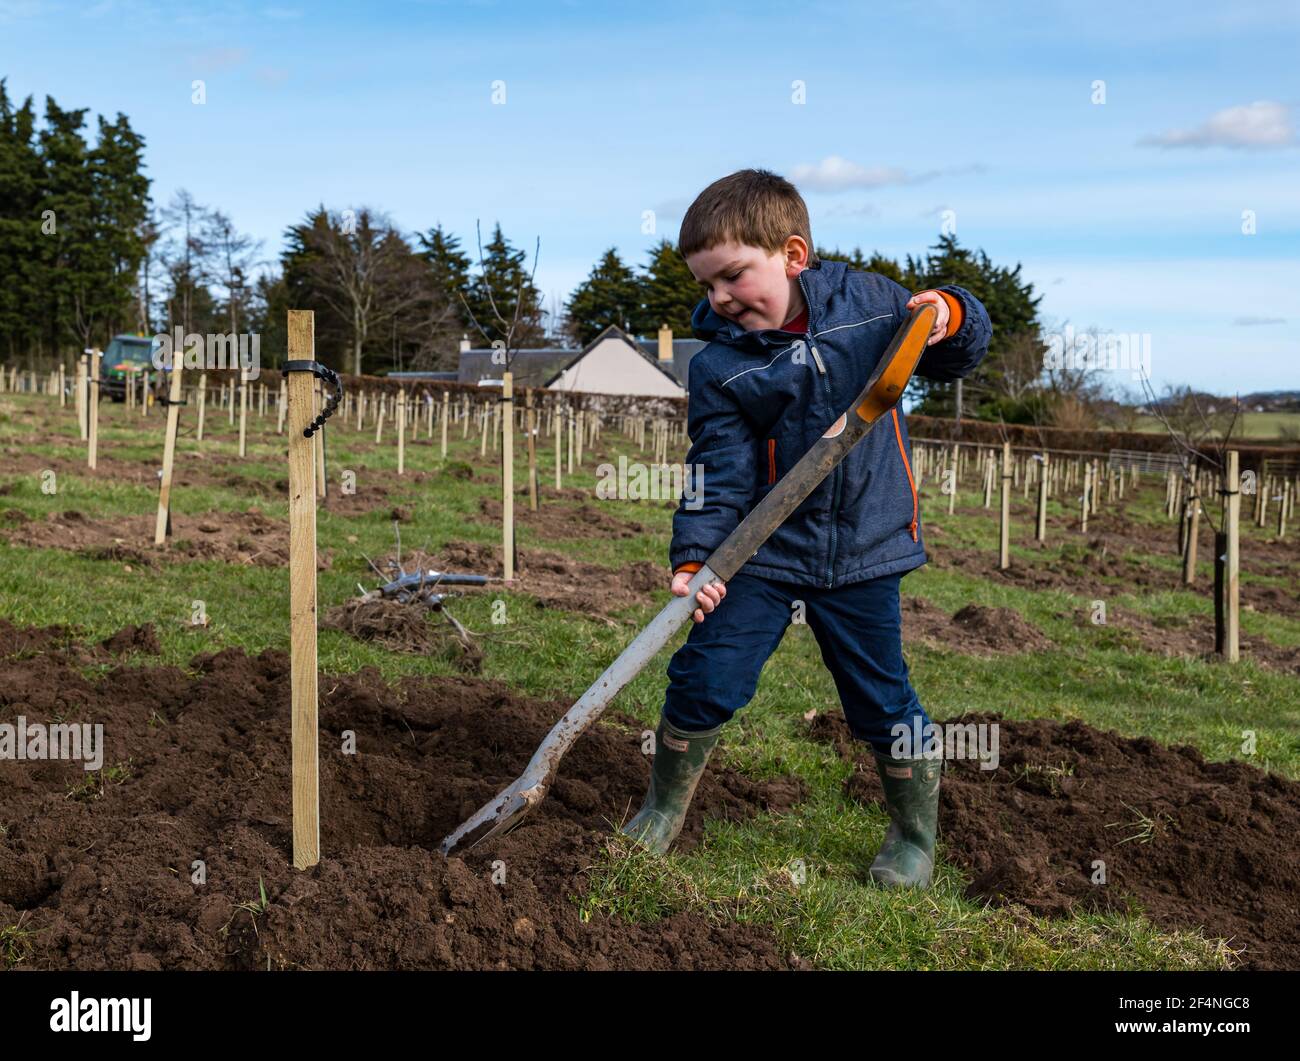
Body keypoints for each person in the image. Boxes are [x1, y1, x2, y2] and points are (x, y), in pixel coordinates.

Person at [622, 169, 991, 888]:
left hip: (863, 551)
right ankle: (663, 807)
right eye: (707, 286)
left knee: (880, 696)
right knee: (704, 677)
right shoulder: (723, 365)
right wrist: (699, 556)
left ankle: (914, 836)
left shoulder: (872, 305)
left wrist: (950, 311)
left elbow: (953, 346)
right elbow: (716, 471)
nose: (720, 299)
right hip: (762, 552)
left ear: (793, 254)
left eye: (732, 276)